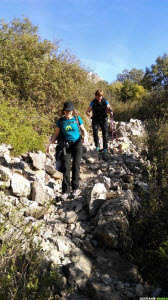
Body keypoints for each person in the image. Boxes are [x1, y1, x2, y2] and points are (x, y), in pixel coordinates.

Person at [47, 101, 88, 200]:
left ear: (72, 111)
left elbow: (83, 130)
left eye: (70, 111)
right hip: (66, 145)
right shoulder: (61, 121)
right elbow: (56, 135)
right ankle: (65, 191)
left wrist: (85, 136)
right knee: (65, 167)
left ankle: (75, 188)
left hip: (77, 144)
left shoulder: (77, 119)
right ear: (64, 111)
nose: (68, 112)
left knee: (76, 166)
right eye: (66, 111)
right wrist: (50, 144)